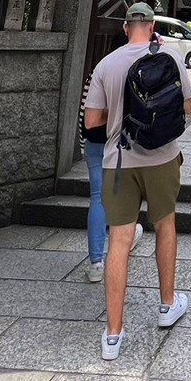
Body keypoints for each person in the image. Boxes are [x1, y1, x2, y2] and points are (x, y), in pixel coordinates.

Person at [83, 2, 191, 359]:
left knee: (119, 239)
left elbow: (91, 122)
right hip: (162, 157)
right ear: (152, 25)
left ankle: (113, 335)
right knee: (165, 226)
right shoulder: (172, 56)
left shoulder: (107, 64)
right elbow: (188, 107)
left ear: (125, 28)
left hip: (120, 161)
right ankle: (167, 305)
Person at [80, 68, 143, 282]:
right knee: (122, 196)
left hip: (94, 143)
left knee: (97, 196)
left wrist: (83, 147)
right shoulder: (134, 74)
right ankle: (128, 236)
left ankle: (96, 262)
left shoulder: (96, 73)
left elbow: (84, 117)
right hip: (120, 144)